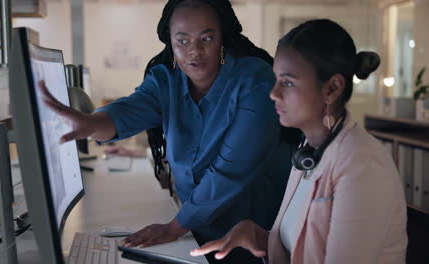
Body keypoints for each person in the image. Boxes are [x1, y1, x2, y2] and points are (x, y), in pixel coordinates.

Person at [40, 0, 298, 262]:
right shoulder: (166, 79)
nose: (194, 51)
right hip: (197, 229)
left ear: (223, 39)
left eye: (206, 38)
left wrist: (175, 226)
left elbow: (230, 171)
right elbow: (131, 109)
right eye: (182, 41)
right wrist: (91, 124)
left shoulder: (254, 80)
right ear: (171, 44)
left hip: (254, 234)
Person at [190, 19, 408, 264]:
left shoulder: (362, 165)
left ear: (332, 88)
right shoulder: (308, 151)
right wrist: (259, 236)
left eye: (288, 82)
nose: (273, 93)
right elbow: (304, 249)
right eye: (276, 80)